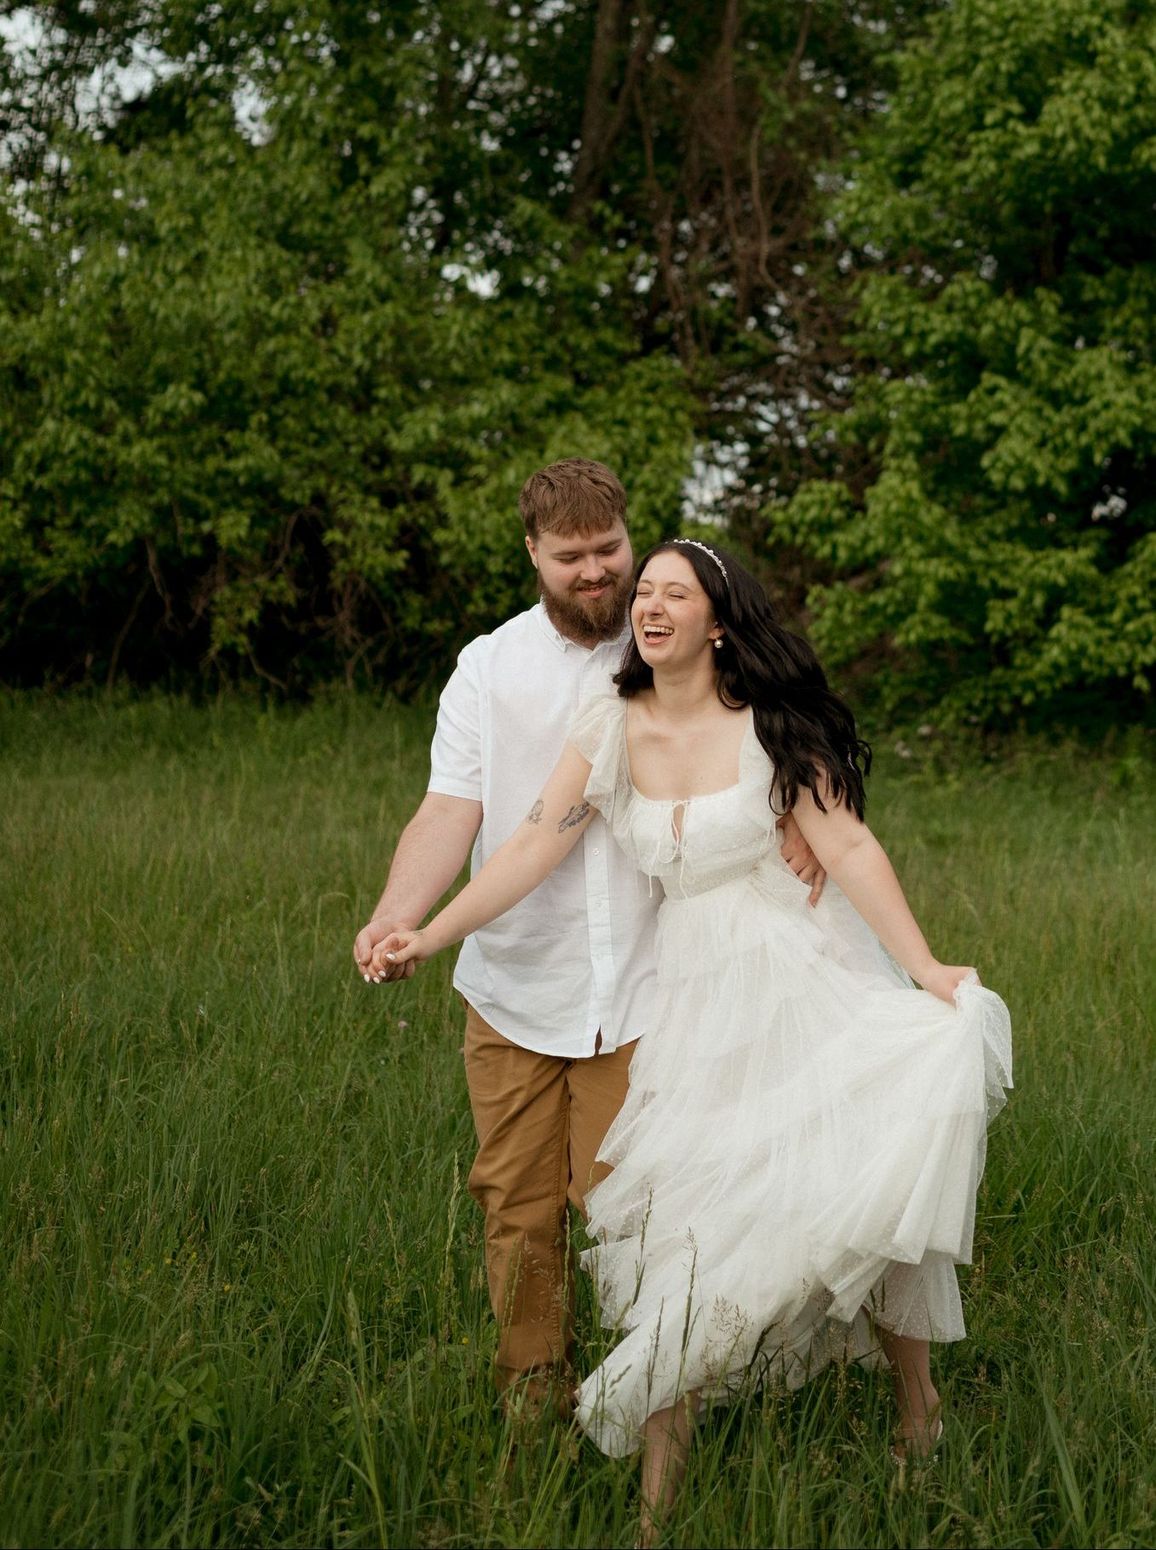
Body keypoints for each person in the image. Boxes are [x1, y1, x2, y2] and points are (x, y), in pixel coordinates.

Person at [371, 538, 1013, 1545]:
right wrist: (431, 927)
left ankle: (916, 1403)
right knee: (684, 1230)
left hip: (805, 975)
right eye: (645, 593)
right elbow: (533, 842)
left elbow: (845, 842)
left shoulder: (767, 726)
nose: (650, 605)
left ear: (717, 621)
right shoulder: (607, 724)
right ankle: (656, 1508)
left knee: (857, 1183)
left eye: (676, 593)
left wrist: (927, 969)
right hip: (689, 1003)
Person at [353, 465, 823, 1415]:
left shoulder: (679, 639)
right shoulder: (489, 668)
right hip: (518, 982)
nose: (598, 574)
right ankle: (534, 1405)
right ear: (533, 554)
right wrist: (399, 915)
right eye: (571, 559)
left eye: (610, 550)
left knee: (642, 1214)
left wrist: (802, 814)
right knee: (516, 1212)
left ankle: (653, 1403)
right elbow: (453, 808)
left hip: (658, 987)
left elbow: (788, 722)